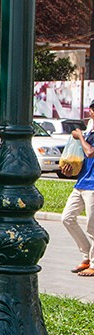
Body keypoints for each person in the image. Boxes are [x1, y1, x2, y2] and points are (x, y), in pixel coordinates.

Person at [62, 107, 94, 276]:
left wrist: (80, 136)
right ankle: (87, 254)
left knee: (92, 226)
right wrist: (70, 170)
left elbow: (90, 152)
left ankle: (93, 263)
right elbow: (82, 158)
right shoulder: (89, 131)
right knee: (67, 218)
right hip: (82, 182)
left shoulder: (85, 135)